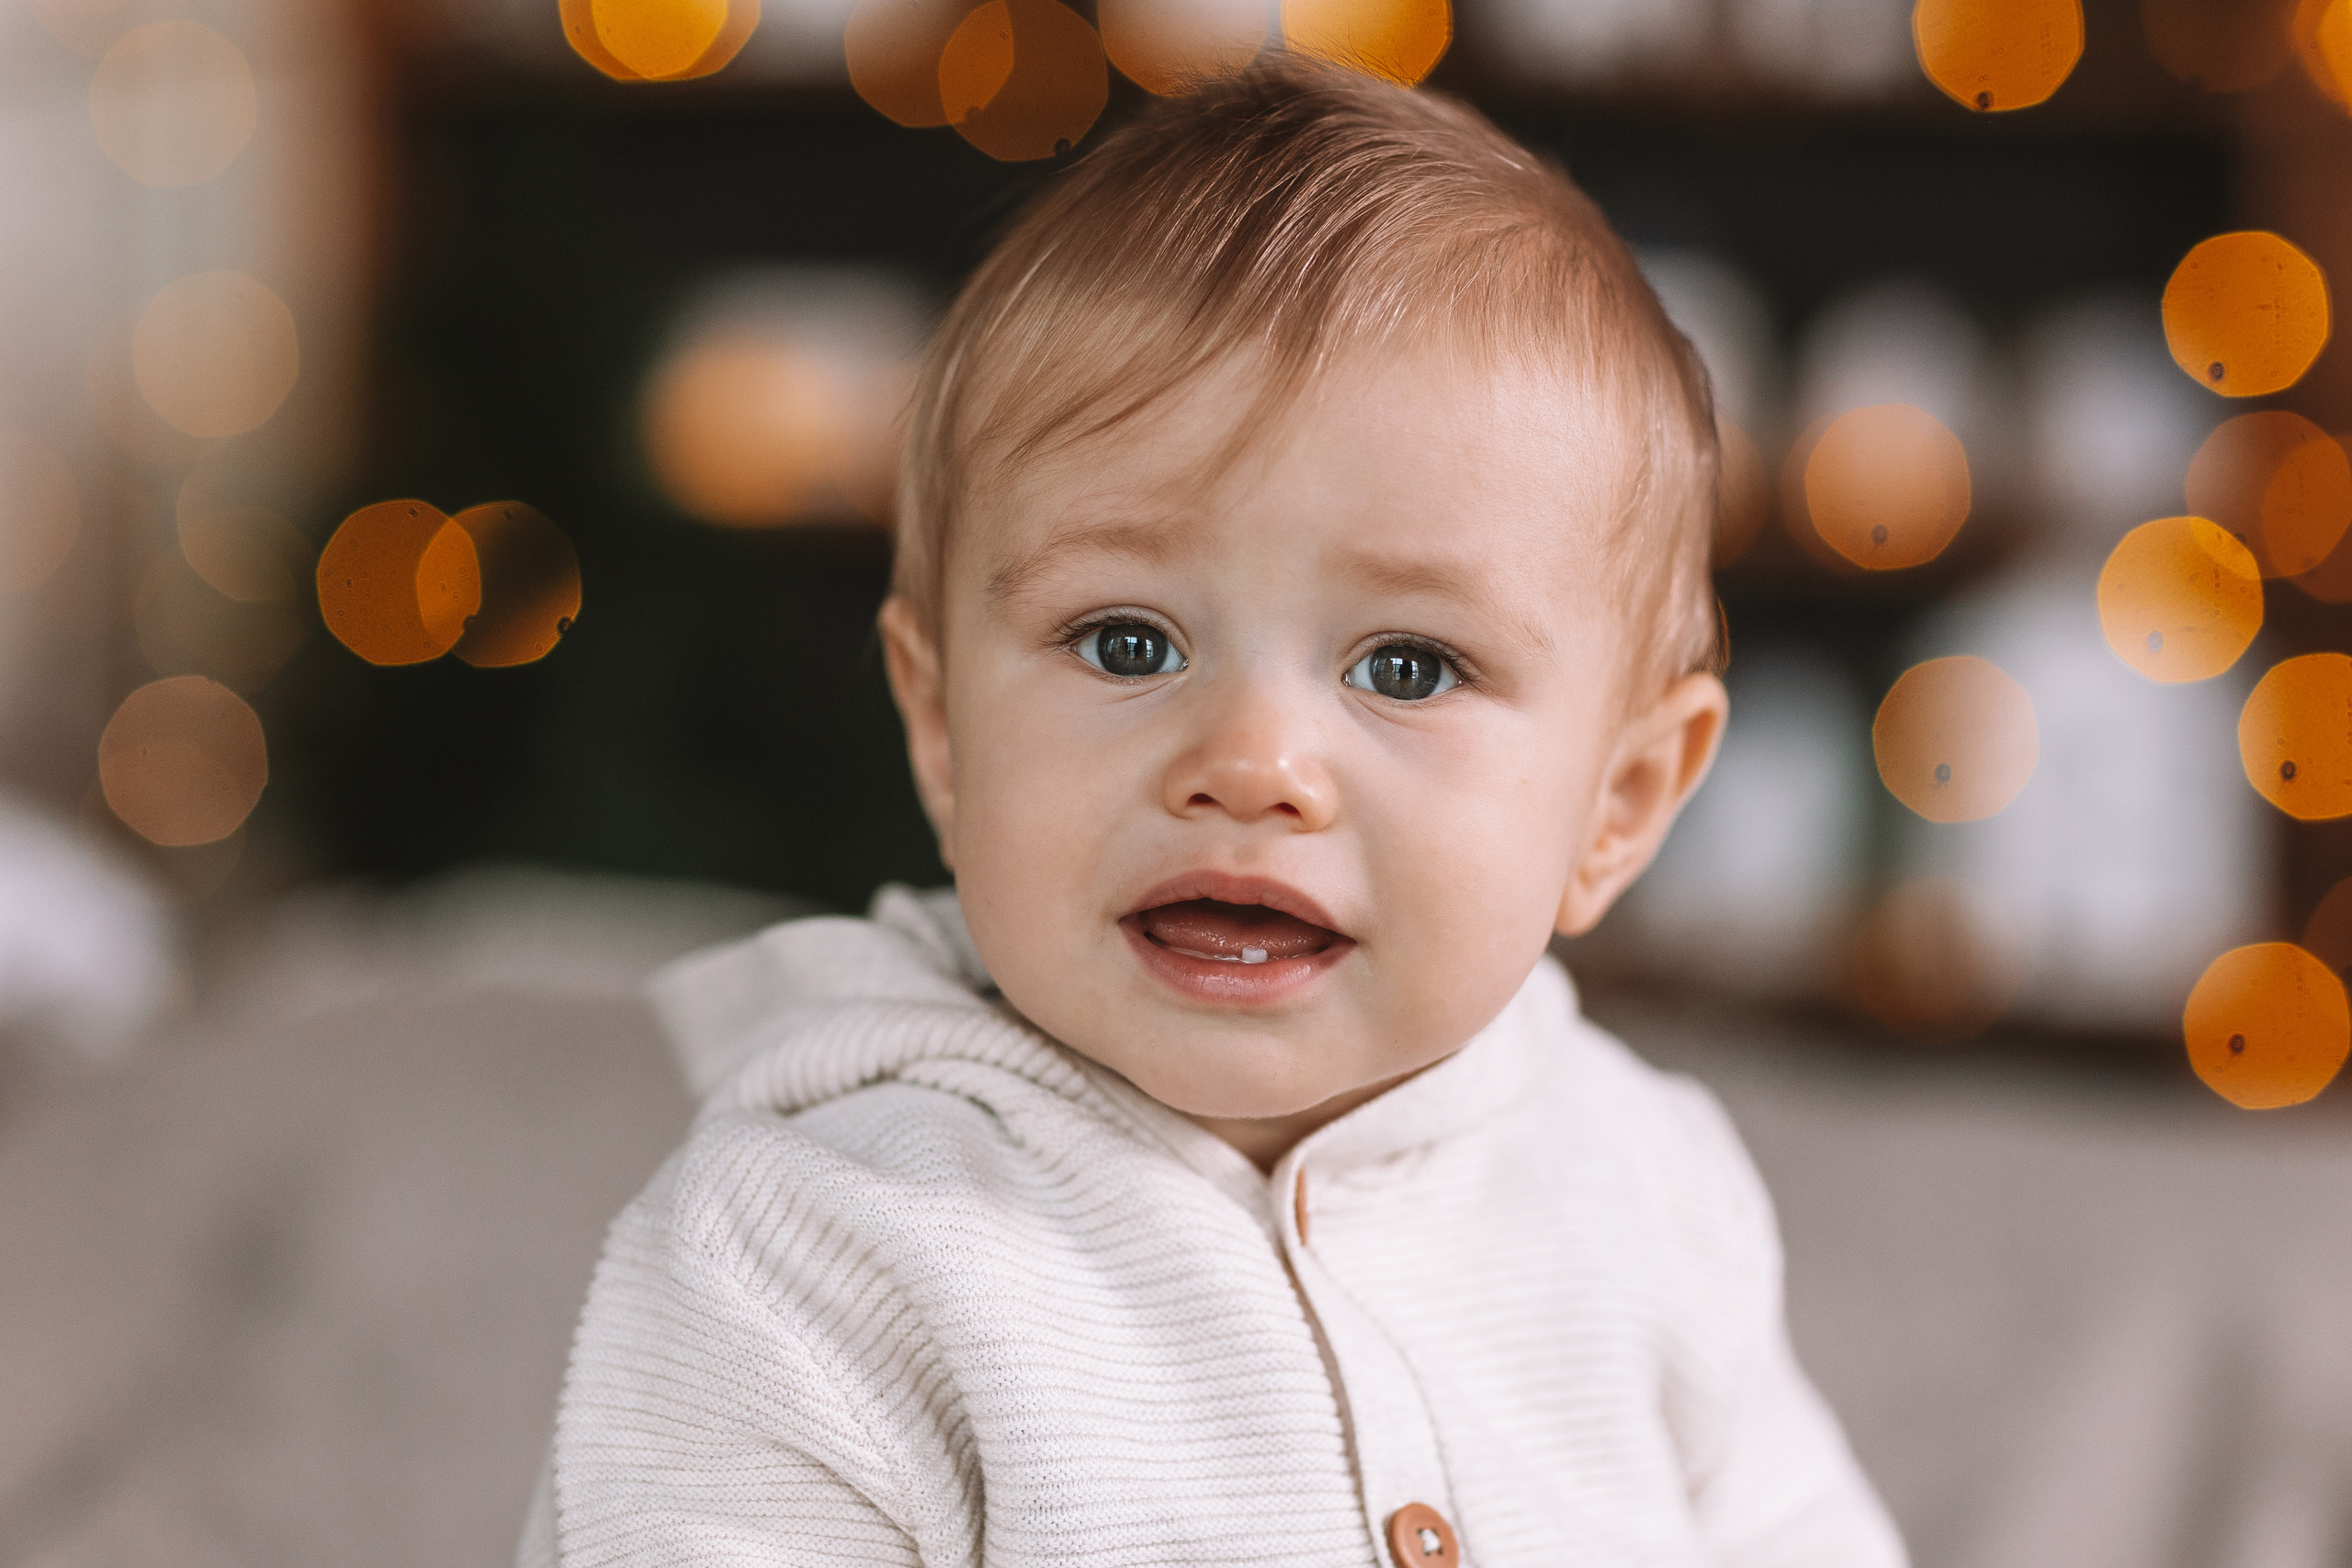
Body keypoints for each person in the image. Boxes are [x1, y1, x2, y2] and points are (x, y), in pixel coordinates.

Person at [522, 56, 1905, 1568]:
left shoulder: (1645, 1193)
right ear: (941, 728)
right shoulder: (813, 1251)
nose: (1252, 764)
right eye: (1128, 642)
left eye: (1407, 665)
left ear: (1618, 806)